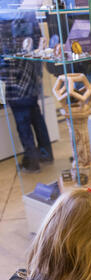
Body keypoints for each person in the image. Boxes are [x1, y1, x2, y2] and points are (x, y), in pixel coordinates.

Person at [0, 8, 54, 173]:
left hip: (14, 81)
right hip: (30, 78)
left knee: (23, 123)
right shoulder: (27, 14)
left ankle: (32, 161)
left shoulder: (5, 17)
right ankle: (45, 153)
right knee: (36, 117)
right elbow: (38, 44)